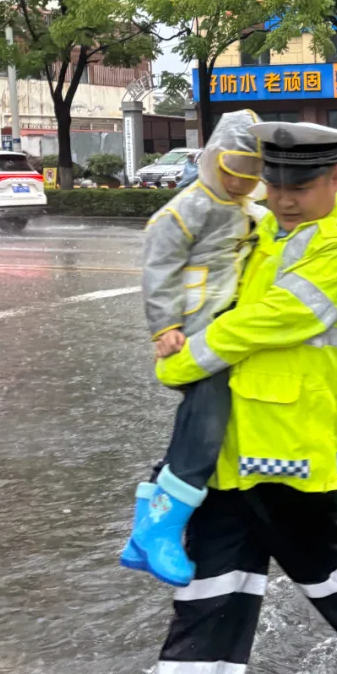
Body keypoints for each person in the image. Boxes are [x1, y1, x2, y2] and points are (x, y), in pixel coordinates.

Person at [150, 121, 337, 674]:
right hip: (227, 456)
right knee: (211, 593)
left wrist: (180, 361)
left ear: (336, 177)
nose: (284, 198)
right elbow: (203, 282)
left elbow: (262, 324)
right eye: (275, 183)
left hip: (293, 456)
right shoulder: (258, 228)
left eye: (302, 185)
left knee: (335, 579)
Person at [120, 110, 264, 588]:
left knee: (199, 427)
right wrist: (164, 326)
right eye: (233, 173)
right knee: (203, 430)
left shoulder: (245, 206)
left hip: (223, 331)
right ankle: (160, 529)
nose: (241, 184)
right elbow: (158, 265)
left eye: (250, 176)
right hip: (197, 333)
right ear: (213, 161)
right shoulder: (189, 206)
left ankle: (147, 531)